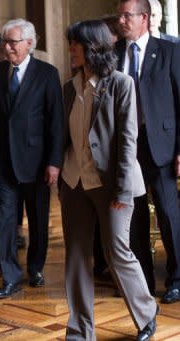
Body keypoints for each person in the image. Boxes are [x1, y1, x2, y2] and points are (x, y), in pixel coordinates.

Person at [61, 20, 158, 341]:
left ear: (92, 47)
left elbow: (127, 141)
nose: (71, 48)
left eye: (75, 43)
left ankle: (146, 315)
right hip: (75, 182)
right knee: (76, 257)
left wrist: (122, 189)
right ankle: (79, 331)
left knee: (117, 252)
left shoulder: (120, 84)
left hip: (114, 182)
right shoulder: (68, 87)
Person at [0, 18, 63, 297]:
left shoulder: (47, 74)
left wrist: (54, 162)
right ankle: (10, 276)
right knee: (5, 219)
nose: (7, 47)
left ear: (29, 43)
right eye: (5, 42)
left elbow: (56, 123)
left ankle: (35, 267)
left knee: (38, 219)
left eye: (13, 42)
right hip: (2, 160)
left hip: (37, 162)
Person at [116, 0, 180, 304]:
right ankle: (142, 282)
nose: (122, 20)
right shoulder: (115, 55)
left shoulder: (169, 51)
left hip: (163, 148)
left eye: (127, 15)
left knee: (169, 215)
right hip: (127, 150)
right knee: (135, 217)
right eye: (120, 15)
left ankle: (177, 279)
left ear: (144, 18)